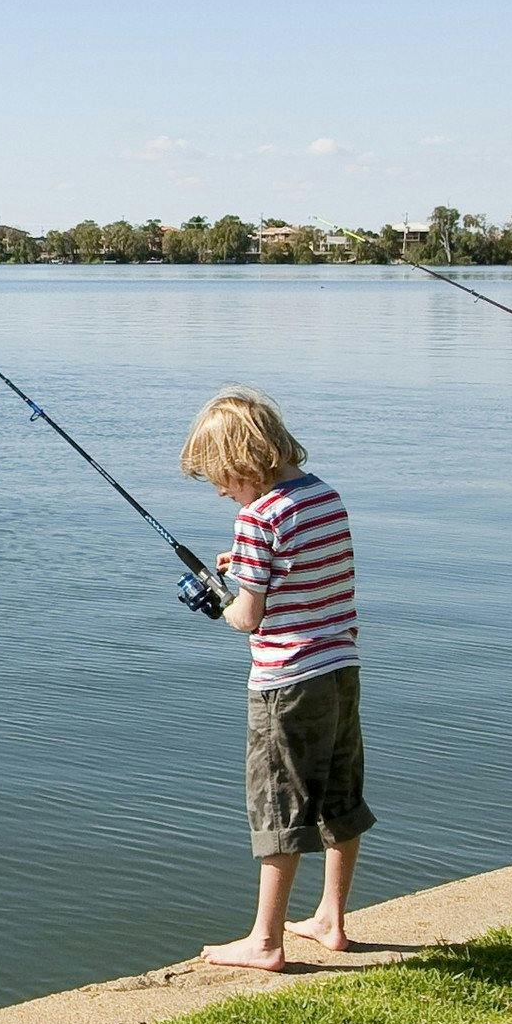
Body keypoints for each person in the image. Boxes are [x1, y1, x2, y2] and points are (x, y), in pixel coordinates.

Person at [181, 388, 381, 968]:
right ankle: (331, 919)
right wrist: (243, 566)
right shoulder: (324, 496)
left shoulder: (256, 515)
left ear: (245, 463)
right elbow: (304, 568)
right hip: (340, 667)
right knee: (339, 795)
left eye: (223, 481)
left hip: (285, 681)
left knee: (280, 804)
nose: (223, 492)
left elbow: (248, 617)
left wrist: (220, 602)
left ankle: (265, 941)